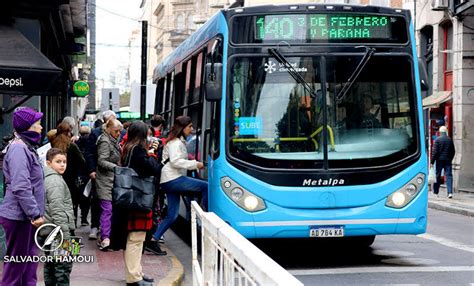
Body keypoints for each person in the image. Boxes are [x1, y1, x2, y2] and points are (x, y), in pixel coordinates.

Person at [146, 116, 207, 255]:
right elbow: (175, 161)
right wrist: (195, 164)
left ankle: (153, 240)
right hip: (173, 179)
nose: (191, 129)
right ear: (183, 127)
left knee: (172, 215)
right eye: (189, 126)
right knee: (206, 186)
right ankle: (205, 217)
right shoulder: (175, 143)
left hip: (170, 180)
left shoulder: (177, 141)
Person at [111, 121, 162, 285]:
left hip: (132, 199)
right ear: (141, 135)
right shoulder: (138, 150)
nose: (149, 137)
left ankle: (136, 272)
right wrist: (153, 153)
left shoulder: (128, 147)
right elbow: (152, 168)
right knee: (135, 239)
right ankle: (134, 278)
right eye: (147, 134)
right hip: (138, 199)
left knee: (134, 239)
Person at [0, 107, 45, 285]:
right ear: (28, 127)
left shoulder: (25, 147)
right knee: (16, 266)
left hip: (25, 217)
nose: (41, 128)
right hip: (20, 216)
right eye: (38, 124)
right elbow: (21, 186)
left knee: (28, 263)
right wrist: (34, 213)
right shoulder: (19, 149)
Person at [43, 148, 75, 285]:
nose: (62, 165)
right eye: (58, 162)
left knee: (51, 266)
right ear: (49, 163)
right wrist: (66, 237)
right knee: (63, 269)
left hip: (51, 232)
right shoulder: (55, 181)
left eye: (64, 162)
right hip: (61, 232)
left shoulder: (51, 178)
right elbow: (58, 211)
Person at [84, 110, 116, 239]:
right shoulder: (96, 133)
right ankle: (94, 226)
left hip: (113, 174)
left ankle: (107, 228)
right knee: (97, 200)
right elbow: (89, 153)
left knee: (109, 203)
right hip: (99, 173)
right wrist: (91, 170)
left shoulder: (118, 133)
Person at [51, 122, 86, 226]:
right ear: (69, 132)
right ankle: (71, 224)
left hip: (54, 177)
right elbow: (82, 162)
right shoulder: (72, 146)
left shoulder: (52, 144)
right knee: (70, 203)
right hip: (71, 179)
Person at [95, 119, 122, 250]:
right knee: (107, 209)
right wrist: (116, 168)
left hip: (111, 179)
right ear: (109, 129)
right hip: (105, 180)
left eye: (120, 131)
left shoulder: (111, 139)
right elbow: (102, 161)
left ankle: (106, 235)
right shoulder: (105, 141)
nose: (119, 134)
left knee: (109, 209)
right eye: (116, 131)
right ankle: (105, 238)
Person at [431, 126, 455, 198]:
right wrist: (450, 159)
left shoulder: (437, 140)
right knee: (449, 176)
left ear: (440, 132)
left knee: (437, 175)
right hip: (448, 160)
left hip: (439, 160)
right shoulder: (449, 139)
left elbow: (435, 152)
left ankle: (436, 192)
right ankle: (450, 192)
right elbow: (453, 151)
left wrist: (432, 161)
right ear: (446, 132)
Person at [76, 125, 92, 226]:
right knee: (86, 197)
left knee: (77, 197)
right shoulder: (90, 143)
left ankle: (75, 218)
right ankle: (84, 219)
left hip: (78, 173)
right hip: (87, 173)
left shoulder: (76, 144)